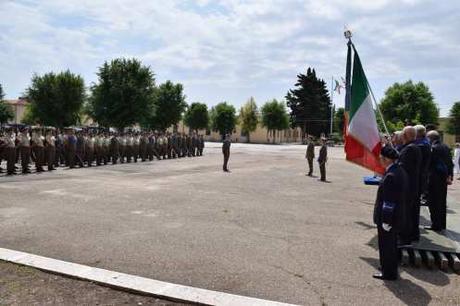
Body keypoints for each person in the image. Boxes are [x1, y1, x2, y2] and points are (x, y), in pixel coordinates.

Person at [373, 146, 408, 281]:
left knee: (386, 246)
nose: (380, 160)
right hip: (397, 216)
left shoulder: (391, 176)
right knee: (391, 245)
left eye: (381, 158)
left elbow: (389, 202)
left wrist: (386, 221)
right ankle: (389, 268)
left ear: (387, 159)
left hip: (390, 219)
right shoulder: (399, 170)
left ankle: (388, 273)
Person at [398, 126, 422, 244]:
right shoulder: (413, 147)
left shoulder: (409, 149)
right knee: (411, 212)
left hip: (408, 187)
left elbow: (403, 168)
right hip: (412, 185)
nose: (401, 135)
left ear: (406, 136)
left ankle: (405, 238)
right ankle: (412, 235)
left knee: (406, 213)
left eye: (402, 134)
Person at [426, 130, 453, 231]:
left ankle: (435, 225)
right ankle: (442, 224)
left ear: (430, 138)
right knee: (442, 202)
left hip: (434, 179)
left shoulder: (433, 148)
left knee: (433, 202)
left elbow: (429, 164)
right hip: (443, 178)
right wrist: (450, 176)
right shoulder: (445, 147)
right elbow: (450, 163)